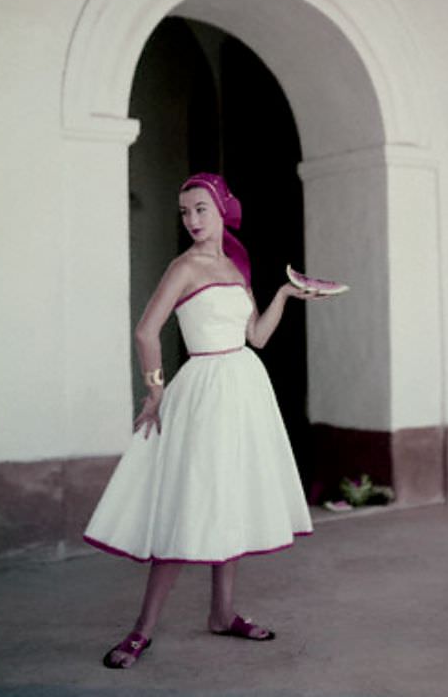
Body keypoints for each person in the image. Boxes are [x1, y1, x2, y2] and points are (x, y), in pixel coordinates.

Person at [83, 172, 325, 669]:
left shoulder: (235, 265)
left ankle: (223, 612)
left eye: (200, 209)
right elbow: (146, 330)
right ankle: (141, 629)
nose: (192, 220)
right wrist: (155, 390)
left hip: (244, 386)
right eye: (185, 212)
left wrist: (283, 294)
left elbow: (256, 336)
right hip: (205, 391)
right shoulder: (185, 267)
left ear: (221, 210)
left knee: (229, 497)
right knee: (191, 502)